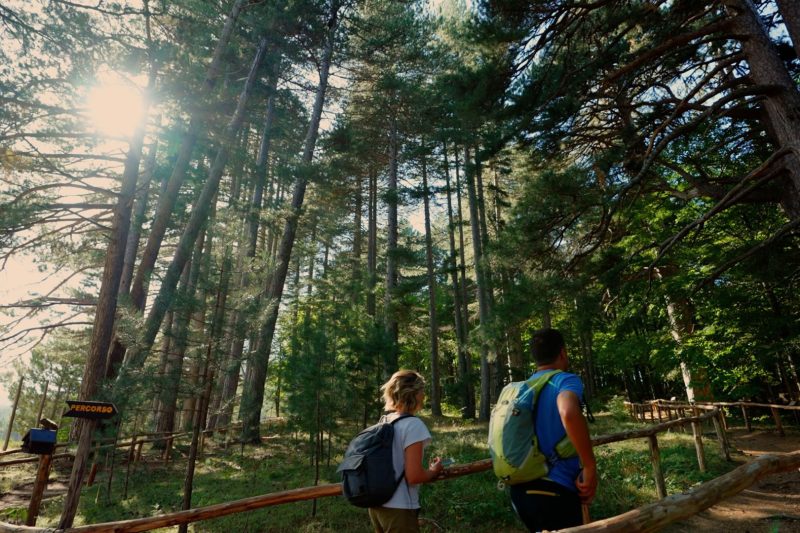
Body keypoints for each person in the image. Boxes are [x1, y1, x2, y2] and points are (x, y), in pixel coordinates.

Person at [509, 328, 597, 532]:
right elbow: (567, 411)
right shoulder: (564, 380)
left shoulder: (523, 388)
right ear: (563, 353)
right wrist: (590, 465)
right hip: (554, 490)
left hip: (520, 492)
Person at [368, 369, 443, 533]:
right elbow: (414, 476)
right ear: (413, 393)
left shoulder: (385, 421)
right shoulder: (413, 425)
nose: (424, 395)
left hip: (377, 506)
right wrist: (433, 471)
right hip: (398, 507)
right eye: (422, 390)